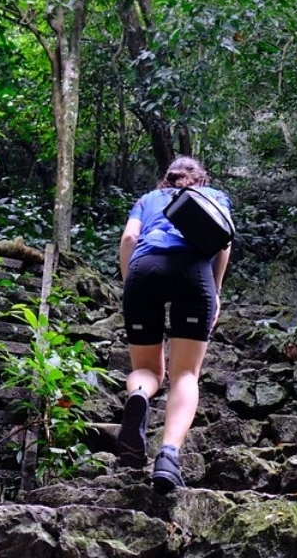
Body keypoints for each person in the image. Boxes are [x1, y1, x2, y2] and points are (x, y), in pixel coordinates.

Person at [116, 155, 232, 493]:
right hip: (193, 273)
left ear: (165, 179)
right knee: (185, 373)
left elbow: (128, 240)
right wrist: (216, 289)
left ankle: (139, 395)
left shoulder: (147, 200)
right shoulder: (214, 197)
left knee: (148, 369)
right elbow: (224, 242)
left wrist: (130, 283)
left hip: (143, 269)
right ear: (201, 178)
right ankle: (167, 457)